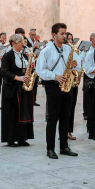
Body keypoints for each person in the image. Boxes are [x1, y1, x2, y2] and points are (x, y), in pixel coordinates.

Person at [36, 23, 78, 160]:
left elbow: (76, 65)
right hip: (53, 85)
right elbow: (40, 70)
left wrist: (74, 66)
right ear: (54, 35)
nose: (64, 36)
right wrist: (55, 76)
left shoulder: (68, 48)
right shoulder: (46, 51)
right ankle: (50, 148)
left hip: (67, 85)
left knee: (66, 116)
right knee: (53, 118)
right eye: (62, 33)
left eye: (65, 33)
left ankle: (64, 146)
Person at [0, 33, 34, 147]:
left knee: (23, 112)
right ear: (14, 44)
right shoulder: (8, 55)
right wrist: (18, 78)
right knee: (12, 113)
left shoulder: (23, 55)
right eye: (21, 43)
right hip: (12, 88)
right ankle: (11, 139)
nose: (23, 45)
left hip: (22, 88)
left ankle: (22, 138)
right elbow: (4, 71)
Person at [81, 32, 95, 140]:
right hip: (92, 82)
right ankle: (90, 128)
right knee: (91, 107)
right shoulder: (90, 54)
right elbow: (87, 69)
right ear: (94, 45)